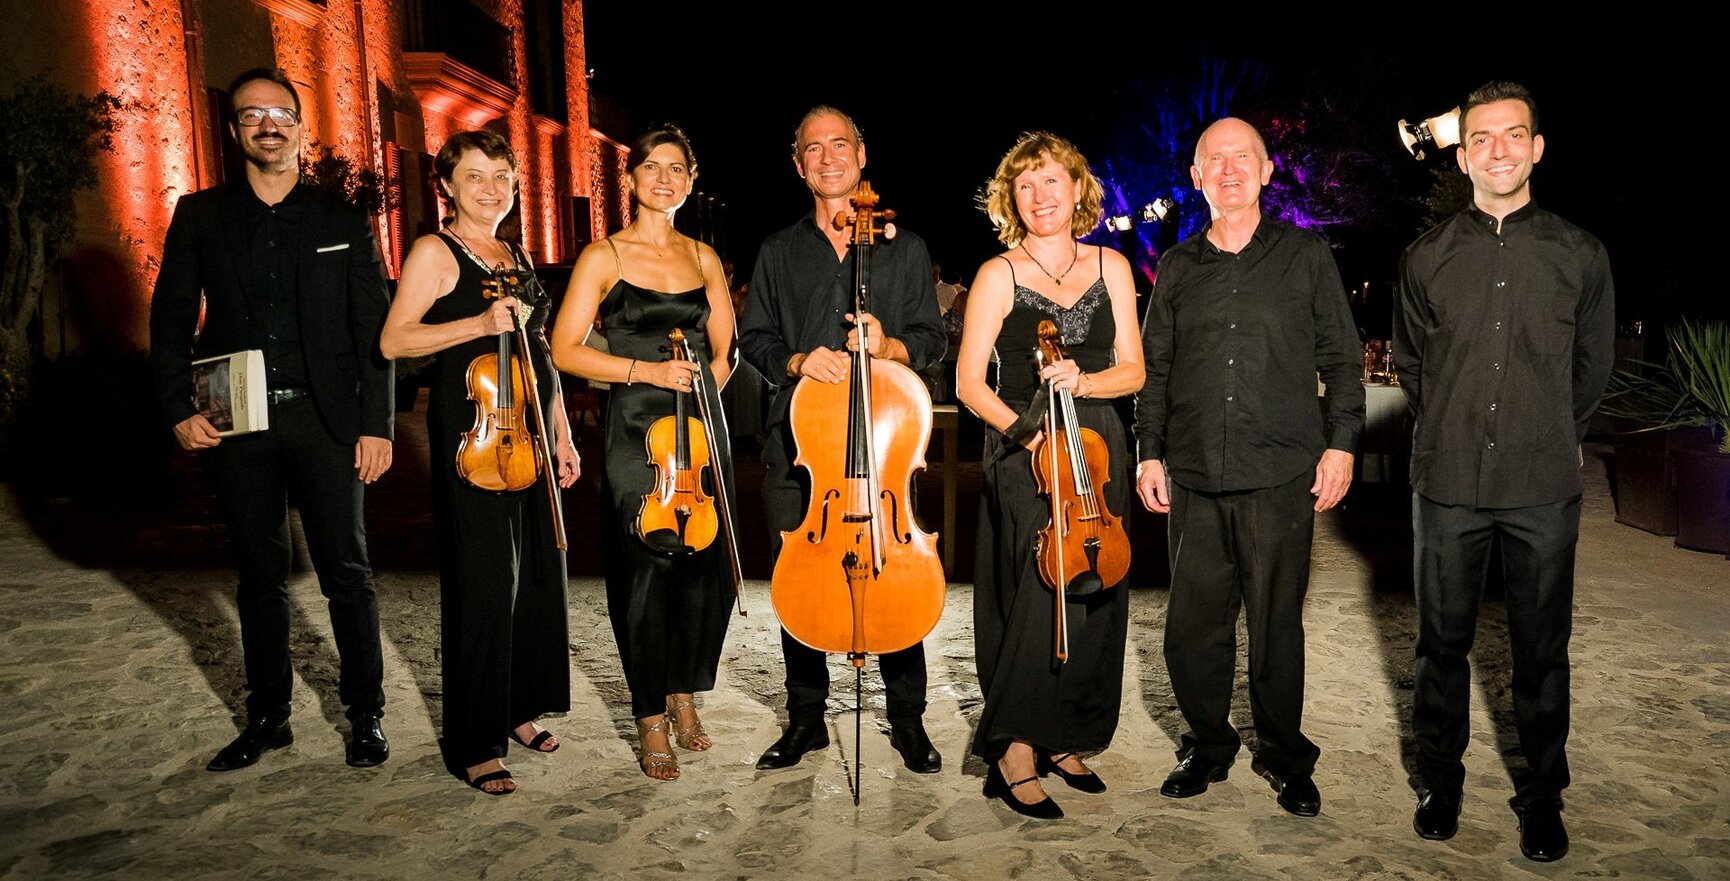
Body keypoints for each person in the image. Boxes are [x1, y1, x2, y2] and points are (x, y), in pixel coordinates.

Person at [150, 67, 394, 774]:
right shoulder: (200, 216)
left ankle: (366, 713)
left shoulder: (342, 221)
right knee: (259, 575)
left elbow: (373, 332)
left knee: (347, 572)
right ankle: (268, 717)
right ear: (235, 130)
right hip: (237, 420)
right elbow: (171, 318)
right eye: (252, 114)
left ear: (300, 128)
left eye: (281, 114)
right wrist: (177, 407)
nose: (268, 125)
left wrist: (377, 424)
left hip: (328, 422)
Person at [1393, 81, 1614, 862]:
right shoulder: (1425, 257)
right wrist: (1451, 430)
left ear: (1537, 148)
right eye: (1480, 138)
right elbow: (1413, 366)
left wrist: (1545, 431)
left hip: (1542, 485)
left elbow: (1592, 370)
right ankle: (1439, 783)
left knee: (1541, 652)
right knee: (1439, 646)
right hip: (1447, 482)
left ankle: (1542, 795)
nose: (1497, 150)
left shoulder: (1581, 254)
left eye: (1513, 134)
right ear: (1461, 157)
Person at [1134, 116, 1364, 817]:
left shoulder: (1306, 257)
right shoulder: (1177, 267)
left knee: (1275, 626)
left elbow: (1342, 359)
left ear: (1266, 171)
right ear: (1197, 176)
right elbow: (1156, 369)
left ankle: (1285, 755)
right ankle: (1207, 745)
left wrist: (1342, 443)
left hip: (1280, 473)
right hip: (1194, 473)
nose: (1229, 169)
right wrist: (1149, 451)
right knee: (1192, 629)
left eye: (1244, 158)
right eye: (1216, 159)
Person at [738, 106, 947, 774]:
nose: (827, 157)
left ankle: (907, 718)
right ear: (798, 165)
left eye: (839, 145)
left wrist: (889, 345)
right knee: (800, 578)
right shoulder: (778, 251)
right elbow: (754, 339)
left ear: (862, 155)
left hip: (883, 449)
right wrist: (798, 361)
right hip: (800, 447)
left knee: (894, 572)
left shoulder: (905, 249)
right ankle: (806, 718)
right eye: (813, 148)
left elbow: (932, 339)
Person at [378, 129, 579, 796]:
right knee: (485, 584)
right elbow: (394, 339)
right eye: (474, 176)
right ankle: (473, 741)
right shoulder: (436, 251)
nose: (491, 189)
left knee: (536, 579)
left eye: (501, 176)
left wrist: (562, 434)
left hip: (529, 431)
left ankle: (516, 707)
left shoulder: (515, 252)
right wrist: (477, 324)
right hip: (475, 438)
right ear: (446, 186)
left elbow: (540, 351)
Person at [956, 132, 1144, 819]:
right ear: (1012, 199)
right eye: (1025, 185)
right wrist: (1027, 434)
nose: (1039, 196)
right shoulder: (998, 273)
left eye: (1051, 181)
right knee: (1038, 593)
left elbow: (1134, 369)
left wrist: (1086, 380)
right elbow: (969, 383)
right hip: (1027, 447)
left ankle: (1066, 733)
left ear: (1077, 189)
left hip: (1099, 446)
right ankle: (1013, 746)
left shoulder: (1112, 265)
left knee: (1095, 587)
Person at [550, 124, 736, 782]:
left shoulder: (704, 257)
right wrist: (646, 374)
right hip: (635, 429)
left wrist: (705, 400)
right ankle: (650, 713)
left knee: (704, 570)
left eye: (676, 168)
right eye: (651, 166)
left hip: (698, 433)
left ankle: (684, 690)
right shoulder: (603, 256)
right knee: (646, 570)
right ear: (630, 180)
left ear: (691, 179)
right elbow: (564, 349)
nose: (664, 178)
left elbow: (725, 352)